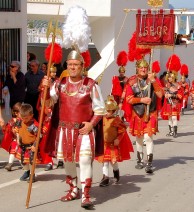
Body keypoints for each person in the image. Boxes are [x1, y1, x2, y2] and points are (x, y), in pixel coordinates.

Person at [42, 50, 105, 209]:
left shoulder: (91, 85)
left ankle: (86, 195)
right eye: (70, 64)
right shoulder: (59, 84)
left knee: (84, 160)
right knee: (68, 161)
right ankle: (73, 189)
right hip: (64, 130)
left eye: (76, 64)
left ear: (82, 66)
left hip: (84, 130)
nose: (73, 67)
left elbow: (100, 110)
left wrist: (91, 124)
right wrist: (45, 89)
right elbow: (48, 103)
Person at [123, 58, 164, 173]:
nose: (143, 69)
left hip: (151, 112)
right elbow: (129, 99)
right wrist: (142, 99)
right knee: (139, 138)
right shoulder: (132, 81)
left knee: (148, 137)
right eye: (141, 67)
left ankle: (149, 162)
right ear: (137, 68)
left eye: (145, 67)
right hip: (137, 113)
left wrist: (153, 81)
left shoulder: (153, 79)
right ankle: (140, 160)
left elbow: (160, 94)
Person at [97, 96, 133, 187]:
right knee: (105, 162)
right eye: (105, 110)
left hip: (113, 145)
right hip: (104, 145)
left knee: (113, 162)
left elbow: (122, 131)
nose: (106, 113)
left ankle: (116, 172)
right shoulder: (101, 119)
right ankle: (105, 178)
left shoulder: (116, 120)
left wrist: (118, 139)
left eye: (108, 111)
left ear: (113, 111)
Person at [15, 104, 42, 181]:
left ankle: (31, 174)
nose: (24, 120)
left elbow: (39, 136)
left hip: (31, 146)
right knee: (22, 161)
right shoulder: (20, 121)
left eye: (26, 118)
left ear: (31, 115)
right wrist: (18, 138)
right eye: (22, 118)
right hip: (22, 146)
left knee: (31, 161)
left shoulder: (33, 125)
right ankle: (27, 171)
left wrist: (35, 145)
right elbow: (17, 130)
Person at [1, 102, 22, 171]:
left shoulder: (24, 121)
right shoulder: (12, 121)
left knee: (20, 154)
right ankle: (9, 164)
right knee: (12, 151)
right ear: (16, 113)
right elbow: (7, 129)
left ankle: (24, 164)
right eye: (20, 112)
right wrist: (4, 127)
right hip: (15, 140)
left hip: (22, 140)